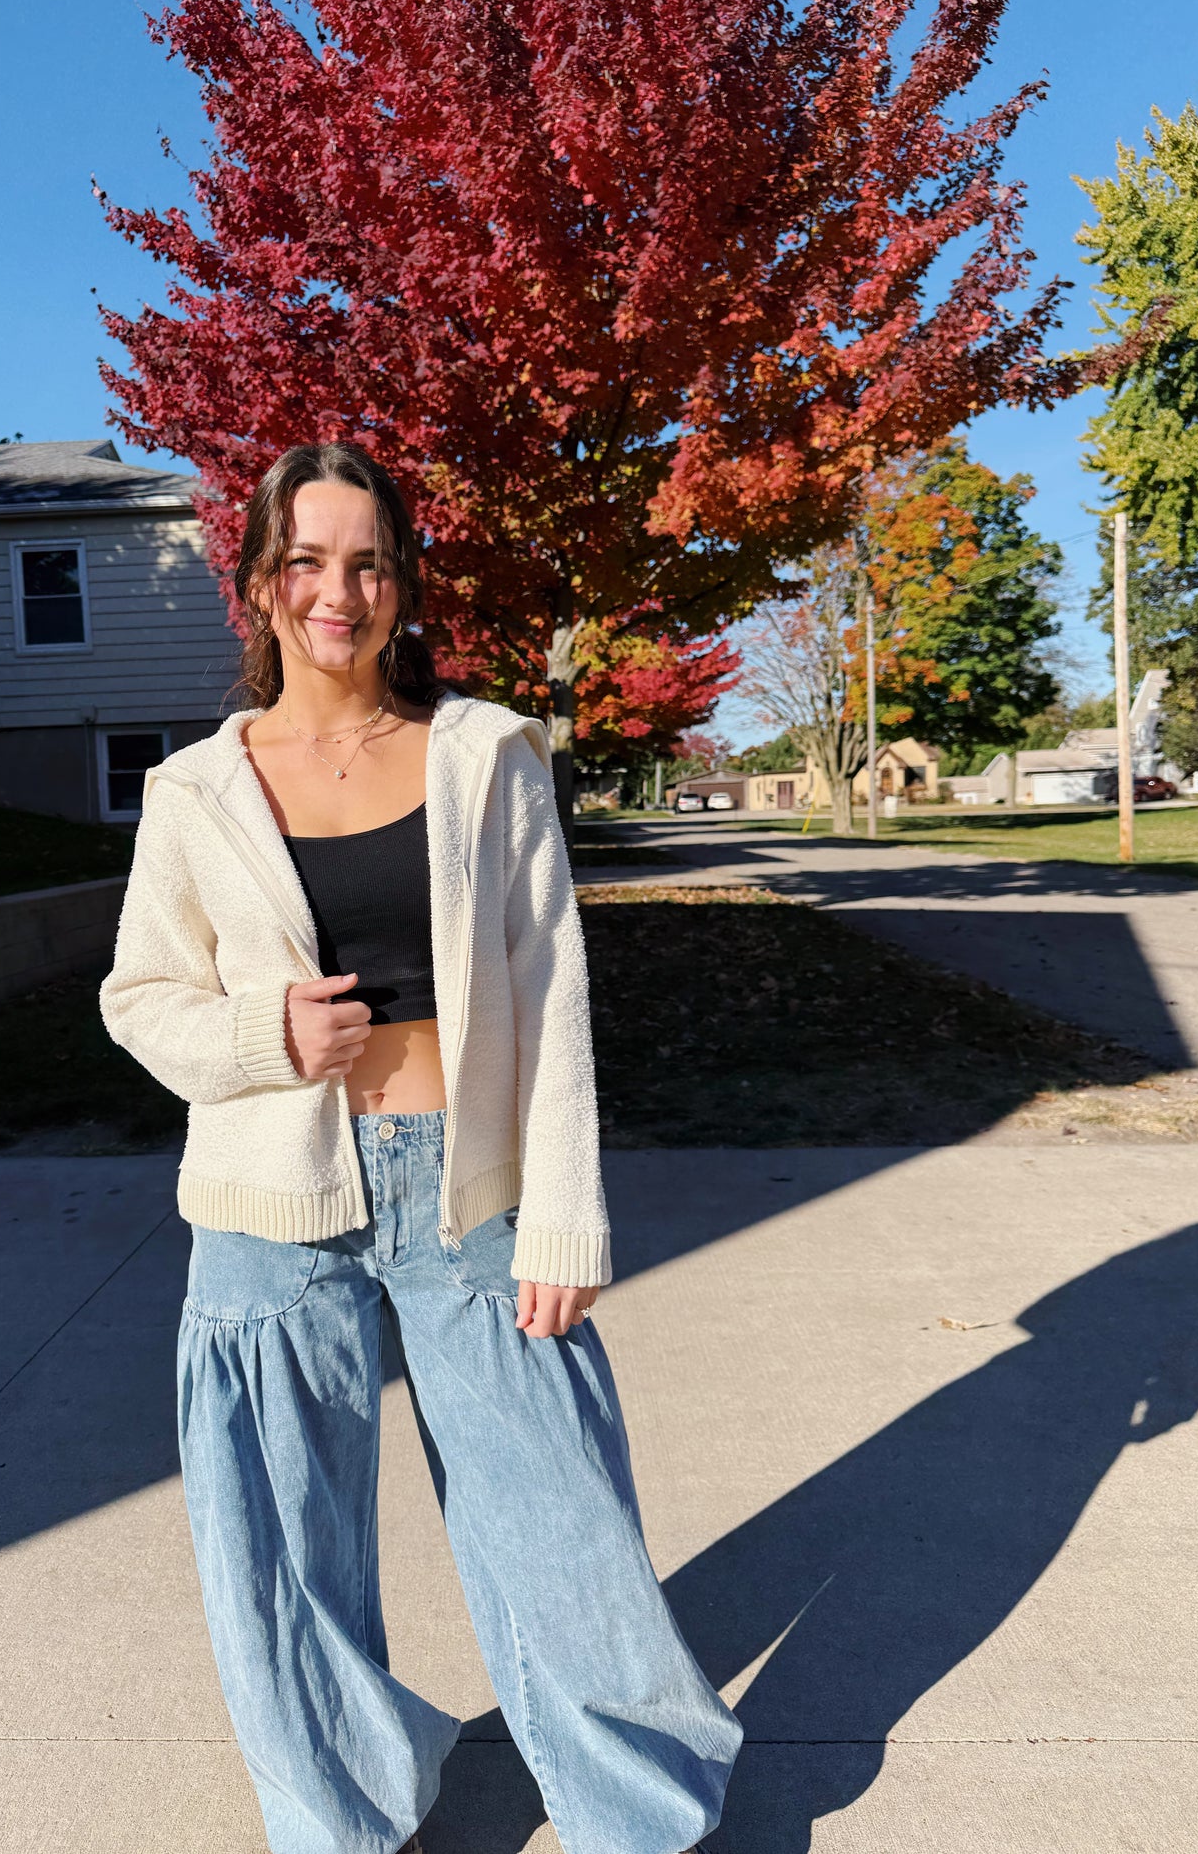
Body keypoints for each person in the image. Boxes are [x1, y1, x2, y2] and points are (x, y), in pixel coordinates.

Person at [98, 442, 744, 1854]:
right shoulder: (192, 791)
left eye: (369, 560)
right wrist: (266, 1037)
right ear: (260, 586)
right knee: (281, 1552)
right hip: (270, 1200)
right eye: (309, 561)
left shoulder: (483, 757)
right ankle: (338, 1819)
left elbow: (550, 984)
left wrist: (564, 1217)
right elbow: (140, 998)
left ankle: (637, 1821)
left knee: (560, 1528)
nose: (341, 591)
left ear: (401, 584)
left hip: (468, 1182)